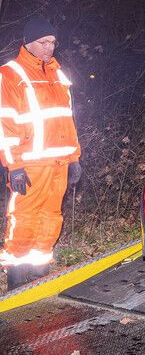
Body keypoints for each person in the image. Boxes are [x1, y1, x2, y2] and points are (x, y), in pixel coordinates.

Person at [0, 18, 82, 290]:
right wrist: (14, 165)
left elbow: (66, 120)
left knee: (50, 217)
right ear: (28, 42)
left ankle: (39, 279)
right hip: (29, 164)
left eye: (53, 42)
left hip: (58, 163)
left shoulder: (58, 74)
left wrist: (74, 158)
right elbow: (5, 123)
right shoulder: (11, 74)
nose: (50, 47)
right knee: (24, 218)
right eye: (43, 42)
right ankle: (15, 281)